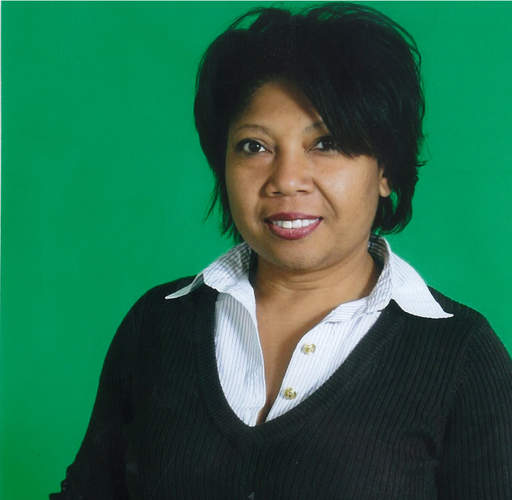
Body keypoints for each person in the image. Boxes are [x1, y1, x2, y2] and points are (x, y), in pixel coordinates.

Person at [51, 3, 512, 499]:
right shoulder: (157, 325)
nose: (286, 180)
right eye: (255, 146)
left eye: (327, 143)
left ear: (385, 170)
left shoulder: (461, 356)